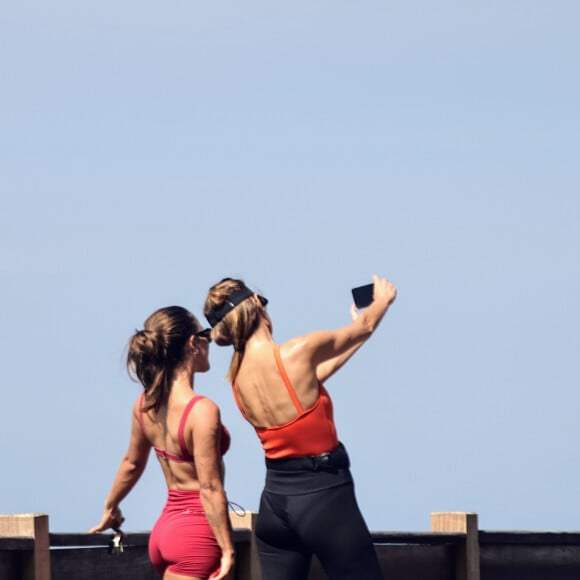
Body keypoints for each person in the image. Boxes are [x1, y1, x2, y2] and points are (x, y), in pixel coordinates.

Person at [203, 275, 396, 580]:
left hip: (275, 507)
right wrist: (383, 300)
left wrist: (362, 332)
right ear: (256, 303)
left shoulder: (237, 380)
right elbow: (365, 326)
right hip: (325, 499)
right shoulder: (297, 351)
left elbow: (319, 372)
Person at [89, 306, 235, 580]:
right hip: (196, 534)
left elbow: (131, 463)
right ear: (193, 343)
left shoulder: (145, 405)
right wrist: (228, 550)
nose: (209, 343)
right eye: (206, 336)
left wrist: (111, 506)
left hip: (166, 528)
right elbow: (210, 486)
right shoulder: (202, 410)